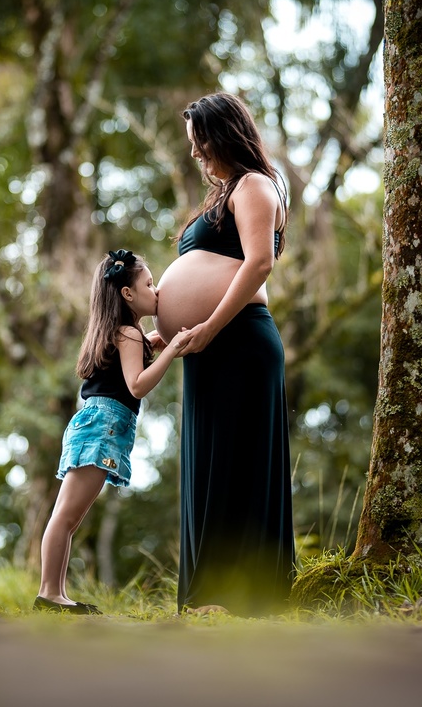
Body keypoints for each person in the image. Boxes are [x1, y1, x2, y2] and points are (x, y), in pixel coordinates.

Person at [171, 92, 296, 616]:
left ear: (223, 135)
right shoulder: (222, 195)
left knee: (235, 463)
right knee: (208, 464)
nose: (197, 156)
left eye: (201, 144)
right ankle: (209, 595)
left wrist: (207, 326)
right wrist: (173, 331)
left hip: (239, 340)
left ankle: (242, 594)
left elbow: (259, 264)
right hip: (205, 344)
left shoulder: (254, 186)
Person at [34, 249, 190, 614]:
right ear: (128, 294)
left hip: (96, 424)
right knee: (66, 517)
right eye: (149, 284)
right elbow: (136, 385)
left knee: (68, 518)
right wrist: (172, 350)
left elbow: (130, 364)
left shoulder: (124, 332)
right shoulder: (127, 334)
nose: (158, 291)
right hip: (102, 427)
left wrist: (157, 343)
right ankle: (48, 594)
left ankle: (55, 594)